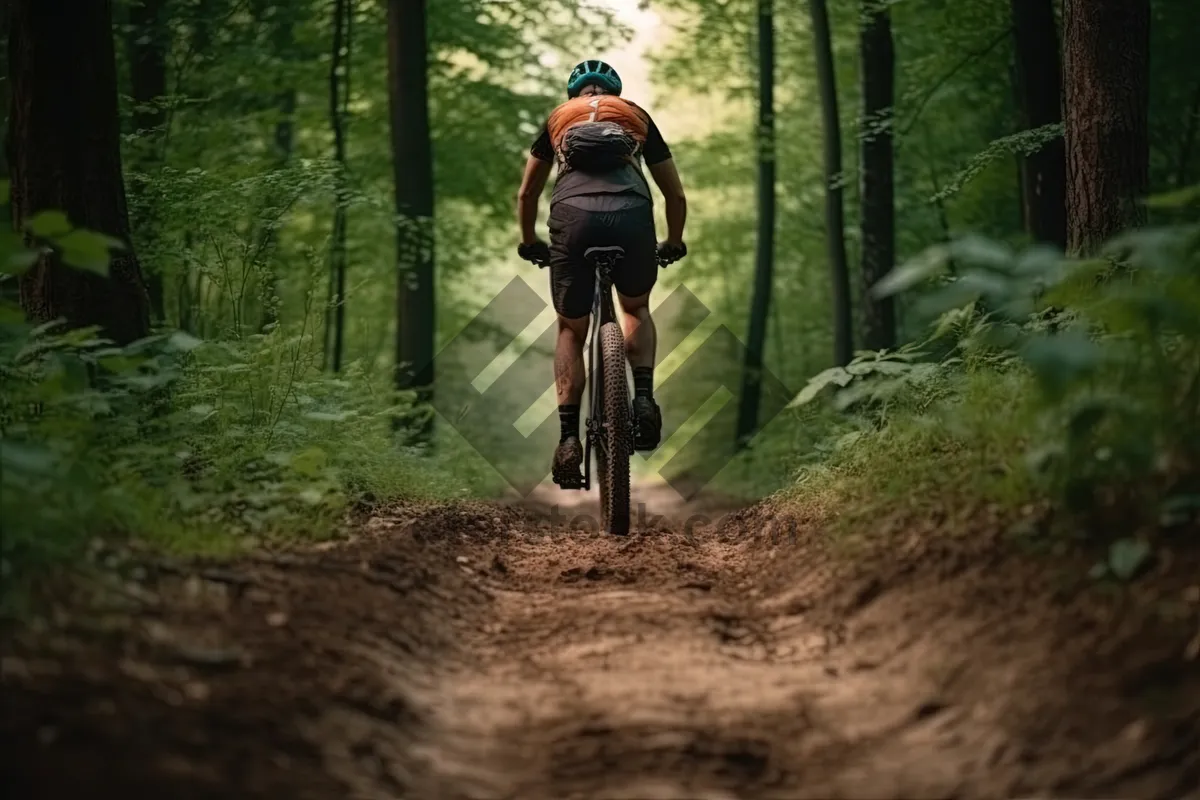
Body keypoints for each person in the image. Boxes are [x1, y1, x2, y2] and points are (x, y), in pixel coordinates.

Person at [515, 59, 689, 488]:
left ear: (574, 92)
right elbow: (675, 193)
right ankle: (644, 397)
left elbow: (527, 193)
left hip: (572, 220)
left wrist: (529, 240)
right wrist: (674, 240)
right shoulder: (635, 115)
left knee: (571, 330)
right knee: (635, 307)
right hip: (632, 216)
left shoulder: (558, 118)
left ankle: (568, 438)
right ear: (614, 90)